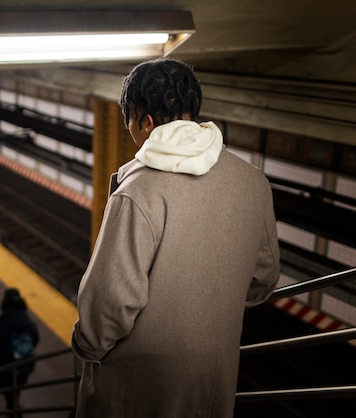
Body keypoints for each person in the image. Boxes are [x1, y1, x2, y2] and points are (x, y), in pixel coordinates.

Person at [71, 58, 281, 418]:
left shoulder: (138, 191)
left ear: (145, 122)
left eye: (130, 123)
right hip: (214, 381)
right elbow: (264, 278)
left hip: (139, 388)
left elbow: (109, 303)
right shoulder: (253, 181)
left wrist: (86, 346)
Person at [0, 288, 39, 415]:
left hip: (7, 369)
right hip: (25, 366)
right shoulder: (29, 324)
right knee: (17, 388)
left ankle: (12, 409)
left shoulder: (1, 326)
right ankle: (15, 405)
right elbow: (35, 340)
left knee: (9, 391)